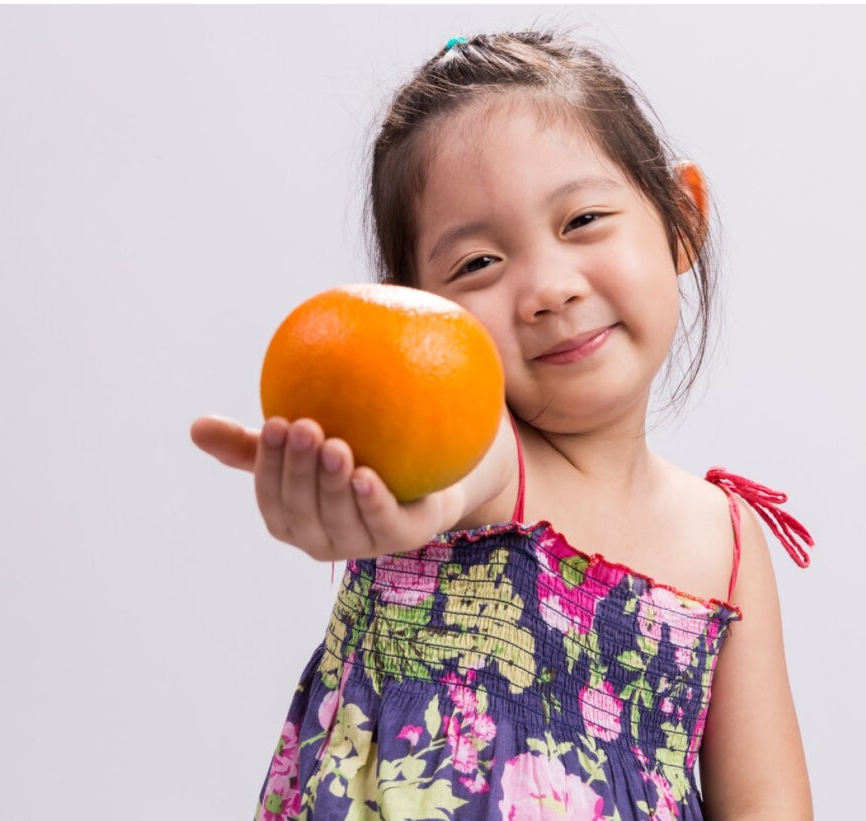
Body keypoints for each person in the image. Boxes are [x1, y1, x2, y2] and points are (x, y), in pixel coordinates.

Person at [192, 30, 814, 821]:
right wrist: (374, 505)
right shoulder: (483, 456)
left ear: (682, 217)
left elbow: (768, 801)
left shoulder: (725, 539)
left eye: (583, 218)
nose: (548, 289)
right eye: (478, 264)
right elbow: (449, 481)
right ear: (418, 312)